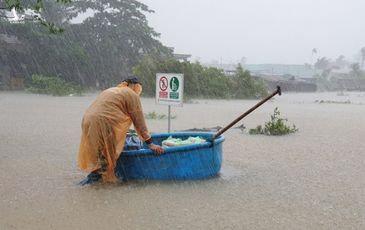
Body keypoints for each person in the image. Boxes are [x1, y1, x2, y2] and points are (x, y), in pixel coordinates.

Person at [78, 76, 164, 185]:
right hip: (105, 123)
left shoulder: (110, 90)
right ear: (134, 86)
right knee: (107, 154)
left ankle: (94, 181)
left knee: (98, 153)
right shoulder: (131, 94)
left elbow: (110, 110)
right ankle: (94, 183)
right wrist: (150, 143)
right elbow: (139, 122)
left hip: (88, 120)